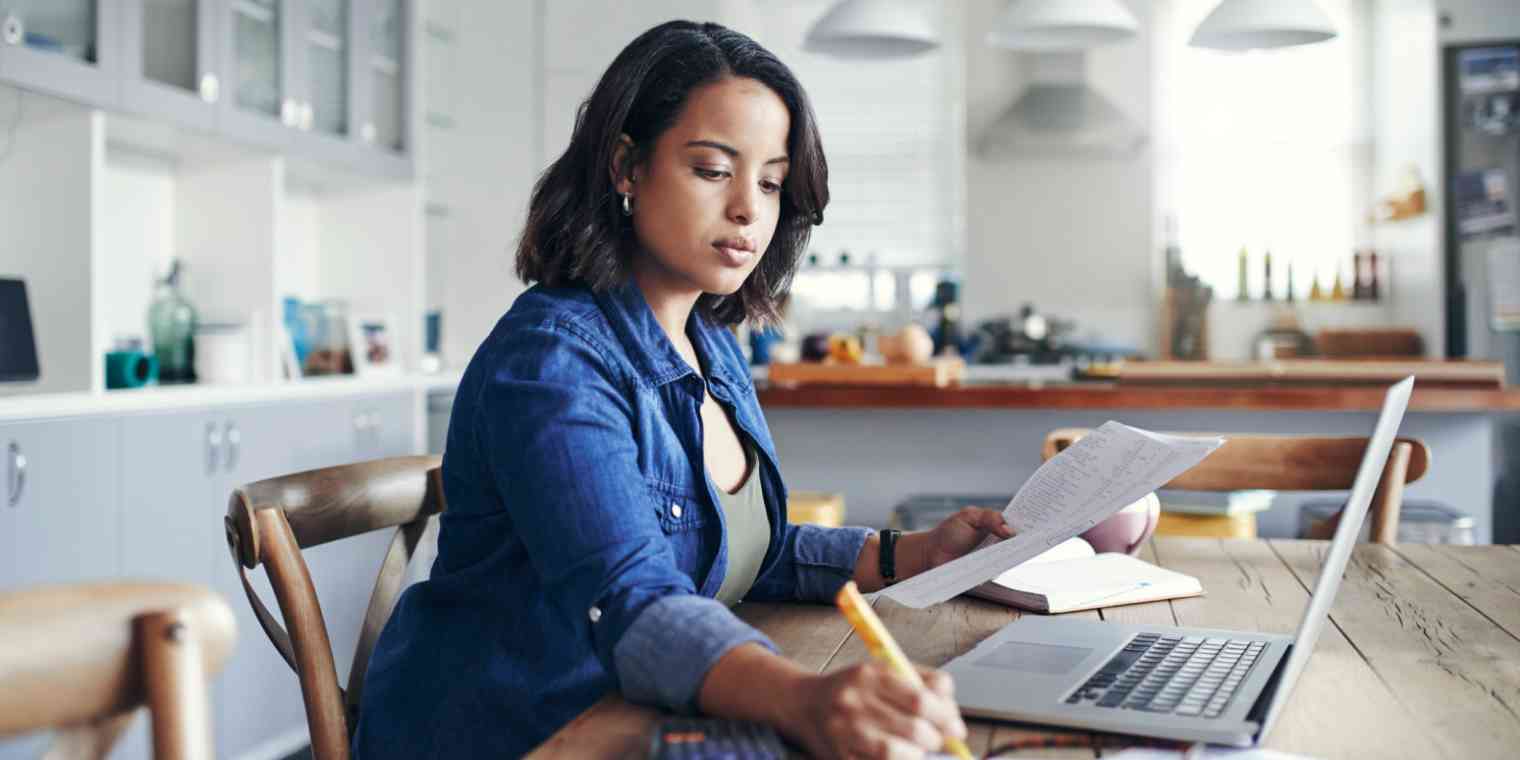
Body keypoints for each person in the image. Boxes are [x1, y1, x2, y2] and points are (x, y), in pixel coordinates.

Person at [352, 19, 1014, 760]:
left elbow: (742, 550)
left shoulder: (712, 344)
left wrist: (913, 554)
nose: (748, 209)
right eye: (711, 170)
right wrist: (805, 697)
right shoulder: (551, 363)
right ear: (627, 167)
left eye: (769, 182)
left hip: (624, 714)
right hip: (521, 731)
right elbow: (633, 595)